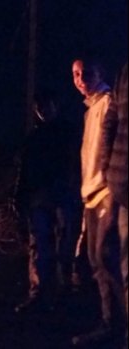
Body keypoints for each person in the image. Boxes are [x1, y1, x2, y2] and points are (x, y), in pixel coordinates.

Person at [70, 57, 125, 346]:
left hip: (105, 191)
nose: (81, 79)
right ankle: (110, 322)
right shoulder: (89, 109)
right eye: (76, 74)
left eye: (86, 72)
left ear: (99, 71)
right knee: (96, 260)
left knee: (106, 257)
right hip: (89, 194)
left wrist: (109, 185)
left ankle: (116, 325)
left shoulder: (106, 103)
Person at [13, 89, 83, 314]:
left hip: (63, 196)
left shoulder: (69, 133)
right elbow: (24, 171)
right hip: (40, 198)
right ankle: (39, 294)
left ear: (56, 105)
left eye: (47, 105)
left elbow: (78, 165)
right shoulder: (33, 137)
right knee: (40, 247)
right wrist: (19, 197)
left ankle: (64, 295)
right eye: (39, 106)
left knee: (65, 247)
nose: (43, 110)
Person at [101, 62, 128, 349]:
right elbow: (111, 121)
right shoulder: (124, 72)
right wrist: (109, 168)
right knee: (113, 259)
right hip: (121, 186)